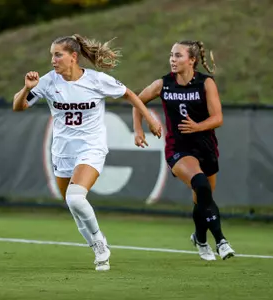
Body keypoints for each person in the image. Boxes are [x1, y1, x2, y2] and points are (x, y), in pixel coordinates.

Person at [13, 34, 162, 271]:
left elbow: (129, 94)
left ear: (73, 57)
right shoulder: (48, 81)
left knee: (75, 197)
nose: (53, 60)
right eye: (52, 55)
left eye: (58, 54)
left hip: (91, 148)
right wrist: (26, 88)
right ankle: (95, 244)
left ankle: (99, 242)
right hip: (62, 153)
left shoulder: (96, 80)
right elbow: (18, 106)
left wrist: (149, 119)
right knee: (73, 206)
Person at [132, 40, 235, 261]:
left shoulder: (206, 83)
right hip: (178, 148)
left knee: (203, 197)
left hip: (205, 147)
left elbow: (218, 118)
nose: (172, 59)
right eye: (171, 55)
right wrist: (139, 129)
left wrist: (198, 126)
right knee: (200, 184)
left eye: (178, 55)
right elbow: (137, 101)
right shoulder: (164, 83)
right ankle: (221, 241)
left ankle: (199, 237)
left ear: (192, 60)